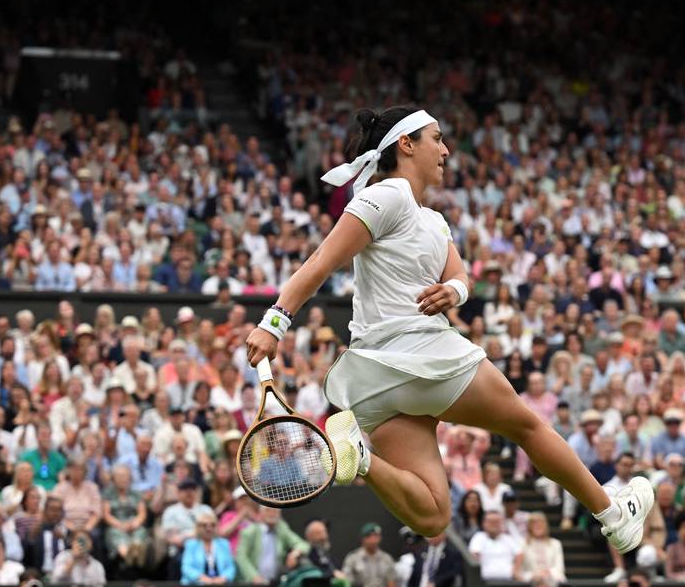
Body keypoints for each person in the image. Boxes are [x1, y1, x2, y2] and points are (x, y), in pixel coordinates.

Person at [243, 107, 651, 552]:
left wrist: (453, 292)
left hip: (376, 382)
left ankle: (359, 459)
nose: (446, 149)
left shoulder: (433, 220)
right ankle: (613, 515)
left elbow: (460, 277)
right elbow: (321, 262)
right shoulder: (386, 196)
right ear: (406, 144)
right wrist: (274, 324)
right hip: (418, 355)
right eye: (437, 138)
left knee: (434, 516)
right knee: (527, 426)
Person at [234, 506, 308, 583]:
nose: (272, 513)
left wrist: (295, 553)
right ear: (260, 513)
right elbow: (241, 557)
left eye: (276, 511)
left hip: (275, 581)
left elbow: (303, 544)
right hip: (252, 583)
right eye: (268, 510)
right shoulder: (250, 531)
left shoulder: (282, 529)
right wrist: (254, 577)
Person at [180, 513, 236, 585]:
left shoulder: (224, 544)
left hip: (220, 584)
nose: (209, 528)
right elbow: (186, 567)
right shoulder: (191, 544)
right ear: (198, 527)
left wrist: (223, 578)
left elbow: (230, 567)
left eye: (212, 525)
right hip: (197, 583)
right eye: (204, 525)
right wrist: (201, 578)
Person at [469, 511, 523, 581]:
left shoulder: (508, 539)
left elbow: (519, 554)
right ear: (484, 523)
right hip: (485, 580)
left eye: (497, 522)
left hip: (509, 579)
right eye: (490, 522)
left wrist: (515, 570)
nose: (494, 524)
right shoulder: (479, 537)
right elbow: (474, 555)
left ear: (502, 524)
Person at [342, 522, 399, 587]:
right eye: (369, 536)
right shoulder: (353, 558)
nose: (373, 540)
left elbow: (392, 582)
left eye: (376, 536)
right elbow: (346, 582)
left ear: (380, 538)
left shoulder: (387, 559)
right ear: (363, 539)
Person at [521, 511, 565, 586]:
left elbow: (559, 568)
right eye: (534, 523)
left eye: (541, 523)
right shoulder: (522, 544)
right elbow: (520, 571)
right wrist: (533, 575)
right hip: (532, 583)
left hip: (552, 581)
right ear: (529, 527)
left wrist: (548, 573)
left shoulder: (555, 544)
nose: (538, 526)